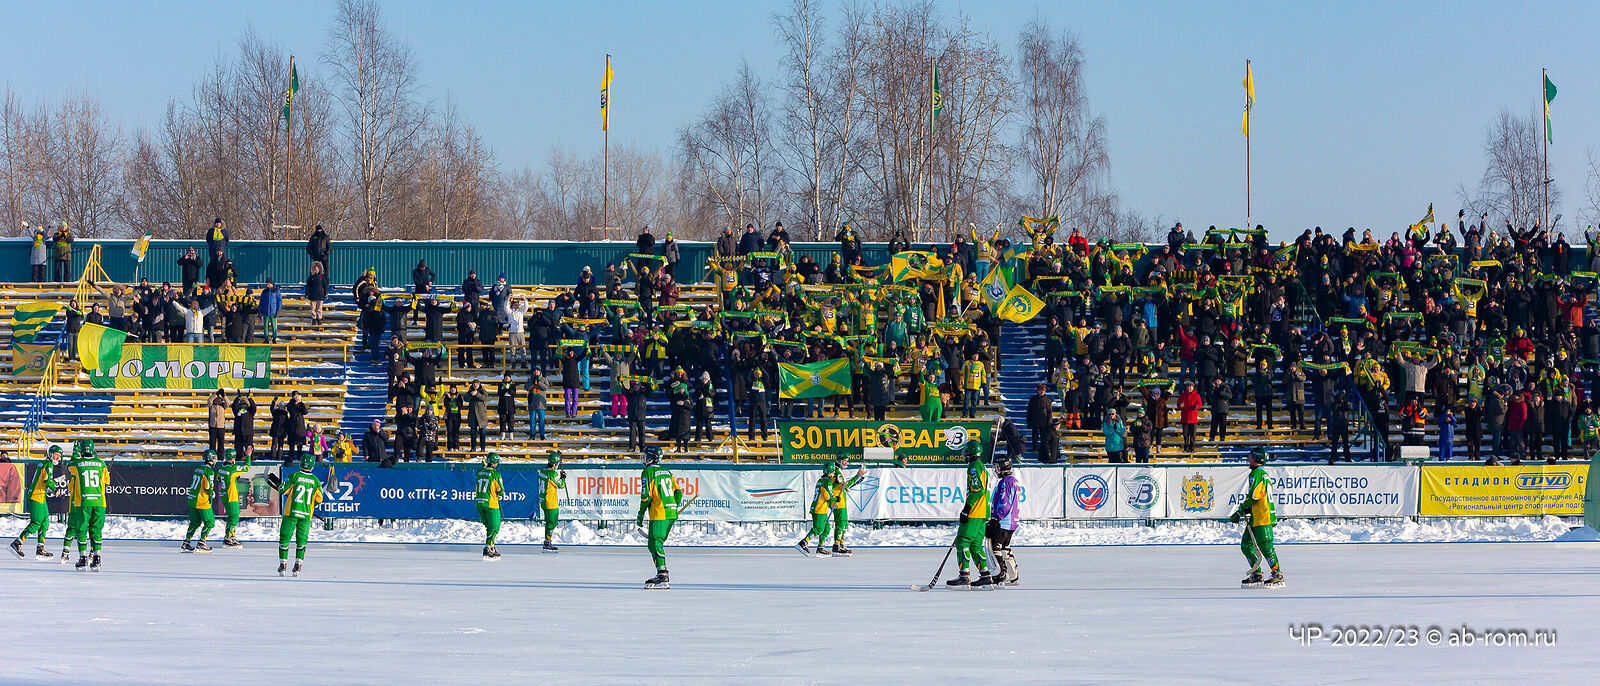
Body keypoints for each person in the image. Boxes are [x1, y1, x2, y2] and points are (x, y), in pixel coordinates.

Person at [1231, 448, 1282, 588]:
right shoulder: (1261, 474)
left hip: (1263, 516)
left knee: (1266, 546)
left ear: (1257, 458)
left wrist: (1241, 510)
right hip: (1256, 516)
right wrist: (1247, 510)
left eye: (1251, 457)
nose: (1249, 459)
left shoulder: (1257, 474)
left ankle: (1277, 573)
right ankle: (1256, 573)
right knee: (1246, 545)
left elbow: (1254, 495)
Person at [946, 445, 993, 588]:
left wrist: (967, 509)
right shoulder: (982, 467)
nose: (964, 455)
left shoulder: (974, 467)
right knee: (975, 545)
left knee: (963, 541)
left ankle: (964, 576)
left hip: (975, 511)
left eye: (966, 452)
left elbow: (978, 490)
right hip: (983, 513)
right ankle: (985, 575)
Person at [9, 444, 64, 560]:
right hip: (36, 496)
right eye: (56, 455)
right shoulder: (48, 464)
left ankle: (40, 548)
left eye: (59, 456)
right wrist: (55, 489)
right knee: (37, 522)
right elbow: (47, 480)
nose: (58, 458)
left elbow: (42, 481)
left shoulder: (43, 463)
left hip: (40, 495)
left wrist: (49, 488)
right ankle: (17, 542)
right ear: (50, 454)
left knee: (45, 522)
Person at [636, 447, 681, 589]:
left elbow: (646, 496)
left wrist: (641, 514)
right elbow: (678, 492)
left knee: (656, 543)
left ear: (650, 458)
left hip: (659, 513)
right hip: (670, 513)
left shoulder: (648, 472)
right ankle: (661, 573)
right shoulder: (666, 471)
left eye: (645, 456)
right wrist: (673, 505)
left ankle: (662, 574)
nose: (644, 459)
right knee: (653, 544)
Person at [276, 454, 323, 577]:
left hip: (291, 513)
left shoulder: (295, 476)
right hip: (306, 515)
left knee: (284, 538)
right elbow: (319, 499)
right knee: (302, 540)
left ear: (300, 464)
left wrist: (278, 485)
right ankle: (298, 564)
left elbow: (284, 490)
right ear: (312, 466)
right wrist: (311, 505)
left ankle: (283, 564)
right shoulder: (316, 481)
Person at [67, 440, 108, 571]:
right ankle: (97, 559)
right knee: (96, 531)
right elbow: (107, 482)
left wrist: (74, 454)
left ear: (81, 450)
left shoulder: (77, 463)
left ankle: (83, 558)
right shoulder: (101, 463)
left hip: (84, 501)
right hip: (99, 502)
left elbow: (69, 466)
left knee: (82, 530)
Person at [986, 457, 1021, 586]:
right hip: (1012, 521)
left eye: (997, 467)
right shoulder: (1014, 480)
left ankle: (1001, 575)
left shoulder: (1005, 482)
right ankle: (1013, 576)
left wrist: (996, 518)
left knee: (996, 547)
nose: (996, 470)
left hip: (1004, 521)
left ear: (1004, 467)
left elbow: (1004, 503)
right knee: (1005, 547)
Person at [794, 462, 839, 557]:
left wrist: (835, 484)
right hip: (820, 509)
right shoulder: (827, 481)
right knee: (818, 529)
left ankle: (821, 547)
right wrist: (836, 498)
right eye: (833, 472)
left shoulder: (821, 480)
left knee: (826, 528)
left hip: (819, 508)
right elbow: (828, 496)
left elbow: (826, 491)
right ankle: (803, 542)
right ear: (830, 472)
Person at [827, 458, 866, 556]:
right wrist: (857, 477)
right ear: (839, 460)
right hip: (837, 501)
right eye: (844, 460)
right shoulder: (836, 470)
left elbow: (844, 486)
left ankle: (841, 544)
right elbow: (844, 485)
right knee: (840, 523)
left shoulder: (839, 470)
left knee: (844, 524)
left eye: (847, 460)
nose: (846, 462)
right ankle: (836, 545)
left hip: (841, 501)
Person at [181, 451, 218, 553]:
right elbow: (207, 486)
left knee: (194, 522)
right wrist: (211, 493)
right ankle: (202, 542)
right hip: (201, 500)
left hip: (192, 499)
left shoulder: (198, 468)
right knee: (210, 522)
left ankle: (186, 542)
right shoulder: (209, 471)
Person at [216, 448, 252, 547]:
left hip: (223, 494)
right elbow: (247, 467)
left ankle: (230, 536)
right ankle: (229, 537)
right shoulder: (233, 469)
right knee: (234, 516)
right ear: (233, 458)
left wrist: (232, 480)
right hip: (231, 495)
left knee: (231, 516)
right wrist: (248, 456)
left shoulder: (221, 468)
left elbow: (218, 479)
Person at [475, 453, 504, 560]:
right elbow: (501, 491)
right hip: (491, 504)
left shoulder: (479, 472)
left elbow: (482, 472)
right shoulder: (496, 474)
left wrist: (483, 465)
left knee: (489, 527)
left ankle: (492, 546)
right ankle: (488, 547)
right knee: (494, 528)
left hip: (479, 503)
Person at [538, 451, 566, 552]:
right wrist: (563, 478)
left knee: (548, 522)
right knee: (552, 522)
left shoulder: (542, 471)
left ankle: (547, 541)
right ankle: (547, 542)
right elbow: (560, 485)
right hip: (550, 502)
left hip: (543, 500)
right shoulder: (552, 473)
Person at [1026, 383, 1053, 457]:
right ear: (1037, 391)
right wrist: (1029, 421)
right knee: (1034, 436)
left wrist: (1049, 421)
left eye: (1043, 390)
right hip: (1035, 420)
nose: (1042, 392)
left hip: (1044, 421)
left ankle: (1042, 448)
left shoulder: (1047, 399)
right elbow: (1029, 411)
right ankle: (1035, 447)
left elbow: (1049, 412)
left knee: (1043, 436)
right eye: (1040, 390)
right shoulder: (1033, 399)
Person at [526, 369, 550, 440]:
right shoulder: (530, 379)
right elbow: (526, 388)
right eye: (535, 371)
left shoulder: (544, 379)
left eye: (538, 371)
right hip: (532, 402)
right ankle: (532, 434)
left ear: (540, 372)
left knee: (541, 420)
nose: (536, 372)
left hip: (541, 403)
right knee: (532, 420)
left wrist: (539, 382)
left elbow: (546, 387)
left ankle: (542, 435)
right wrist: (533, 383)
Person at [466, 380, 489, 452]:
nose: (475, 385)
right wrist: (471, 394)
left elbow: (484, 398)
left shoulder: (483, 391)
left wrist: (477, 394)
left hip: (481, 415)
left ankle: (483, 447)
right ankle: (473, 447)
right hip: (472, 415)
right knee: (473, 433)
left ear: (479, 385)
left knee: (482, 432)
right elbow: (465, 399)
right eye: (474, 384)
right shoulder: (470, 391)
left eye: (477, 384)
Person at [305, 261, 328, 327]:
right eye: (315, 268)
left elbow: (325, 285)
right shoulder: (311, 277)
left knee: (319, 308)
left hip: (320, 295)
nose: (316, 269)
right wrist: (306, 294)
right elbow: (308, 286)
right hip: (312, 295)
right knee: (313, 308)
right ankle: (314, 319)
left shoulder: (322, 276)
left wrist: (325, 293)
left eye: (317, 268)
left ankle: (319, 319)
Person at [206, 389, 228, 456]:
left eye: (219, 399)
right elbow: (209, 400)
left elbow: (228, 403)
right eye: (216, 399)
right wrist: (216, 394)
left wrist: (224, 395)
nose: (218, 400)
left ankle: (220, 456)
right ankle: (212, 456)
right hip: (213, 427)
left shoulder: (223, 406)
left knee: (221, 444)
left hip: (221, 427)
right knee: (212, 444)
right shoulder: (211, 406)